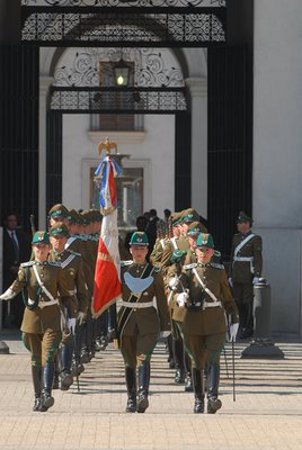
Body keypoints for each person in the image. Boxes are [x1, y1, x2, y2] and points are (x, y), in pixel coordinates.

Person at [0, 231, 71, 412]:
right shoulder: (26, 269)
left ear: (49, 249)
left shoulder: (57, 269)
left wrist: (72, 315)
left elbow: (65, 294)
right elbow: (17, 285)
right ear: (33, 248)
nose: (40, 249)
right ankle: (37, 396)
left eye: (44, 246)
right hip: (32, 319)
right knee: (35, 359)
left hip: (51, 319)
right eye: (37, 246)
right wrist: (6, 295)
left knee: (48, 356)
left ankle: (47, 393)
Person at [178, 233, 239, 414]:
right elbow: (180, 284)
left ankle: (212, 398)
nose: (204, 253)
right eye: (201, 250)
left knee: (213, 359)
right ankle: (199, 399)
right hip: (193, 322)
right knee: (197, 362)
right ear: (195, 251)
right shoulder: (188, 270)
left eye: (207, 250)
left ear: (213, 252)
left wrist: (234, 318)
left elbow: (227, 298)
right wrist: (179, 293)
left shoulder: (219, 271)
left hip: (215, 323)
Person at [117, 231, 170, 414]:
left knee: (143, 358)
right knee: (129, 361)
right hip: (126, 320)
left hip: (148, 320)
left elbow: (162, 300)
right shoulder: (122, 269)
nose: (138, 251)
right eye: (135, 248)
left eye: (142, 248)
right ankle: (131, 398)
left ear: (147, 250)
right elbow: (110, 297)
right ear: (130, 250)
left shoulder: (154, 272)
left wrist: (166, 325)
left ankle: (142, 395)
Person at [48, 223, 88, 390]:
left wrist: (83, 309)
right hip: (49, 304)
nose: (58, 241)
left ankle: (65, 371)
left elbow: (81, 286)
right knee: (52, 340)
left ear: (66, 239)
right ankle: (54, 375)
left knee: (67, 336)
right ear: (50, 239)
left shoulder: (75, 259)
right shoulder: (45, 257)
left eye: (62, 238)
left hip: (68, 304)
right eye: (55, 238)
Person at [229, 211, 263, 339]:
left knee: (247, 302)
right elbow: (233, 257)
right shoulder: (235, 238)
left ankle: (248, 328)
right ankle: (240, 325)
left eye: (240, 223)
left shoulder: (255, 239)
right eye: (238, 223)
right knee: (237, 301)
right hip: (237, 274)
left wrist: (257, 275)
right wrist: (230, 275)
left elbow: (258, 258)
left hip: (248, 275)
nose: (238, 225)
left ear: (247, 224)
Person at [2, 212, 30, 327]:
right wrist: (8, 266)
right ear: (6, 222)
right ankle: (2, 321)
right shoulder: (2, 235)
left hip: (19, 270)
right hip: (5, 272)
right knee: (4, 295)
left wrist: (20, 266)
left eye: (14, 221)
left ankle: (18, 321)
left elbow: (26, 251)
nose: (13, 223)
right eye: (10, 221)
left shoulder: (21, 235)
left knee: (18, 297)